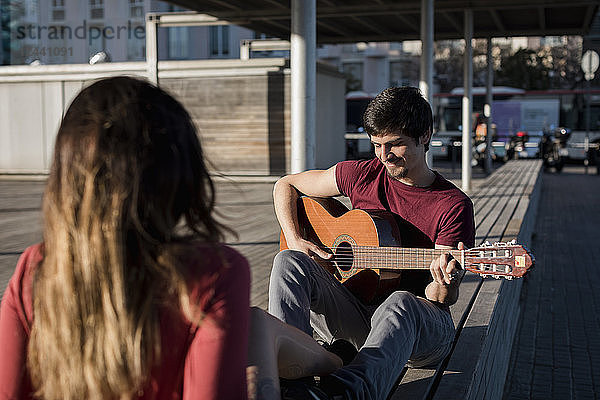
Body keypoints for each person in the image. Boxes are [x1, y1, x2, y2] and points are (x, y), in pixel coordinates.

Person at [0, 76, 342, 400]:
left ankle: (335, 362)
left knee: (260, 326)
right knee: (258, 326)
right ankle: (339, 367)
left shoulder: (37, 267)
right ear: (183, 178)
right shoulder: (213, 272)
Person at [269, 86, 476, 399]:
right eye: (377, 144)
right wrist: (296, 238)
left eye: (395, 144)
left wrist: (446, 282)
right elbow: (285, 185)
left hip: (419, 330)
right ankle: (290, 379)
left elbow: (439, 299)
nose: (384, 155)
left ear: (425, 136)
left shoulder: (452, 205)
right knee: (288, 261)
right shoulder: (363, 174)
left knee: (400, 301)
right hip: (357, 313)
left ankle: (347, 393)